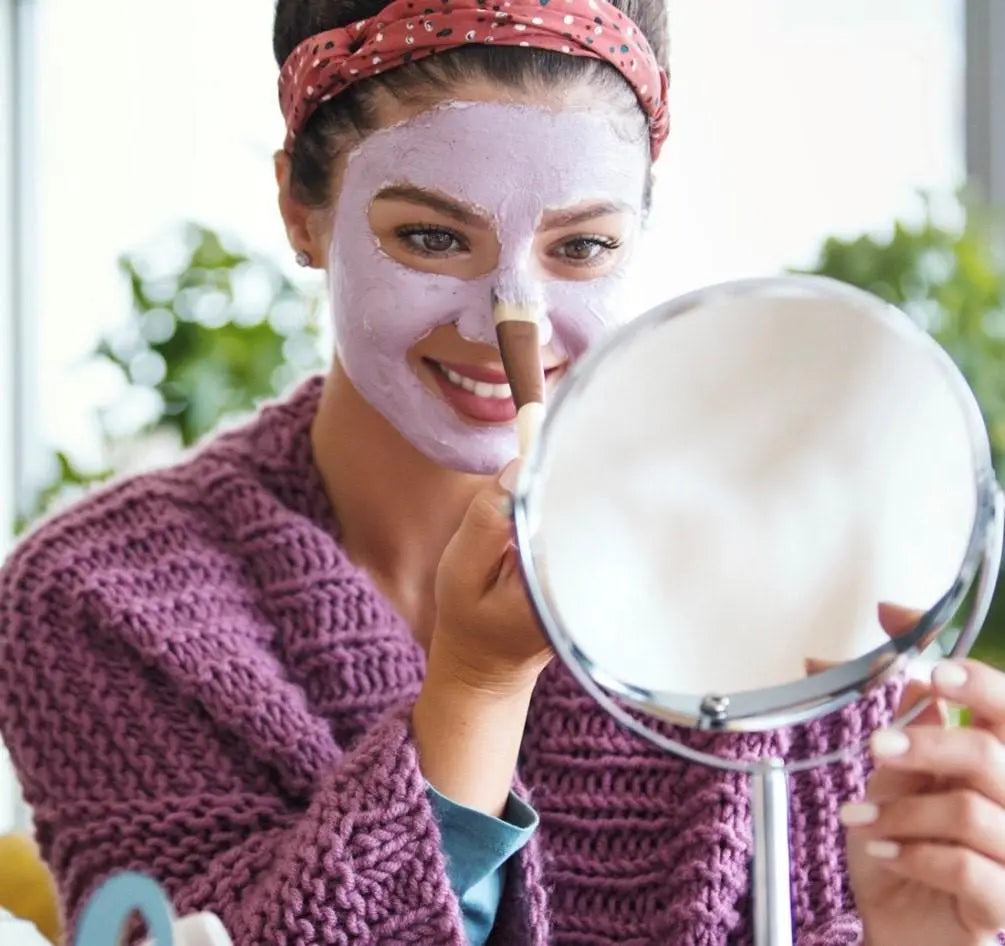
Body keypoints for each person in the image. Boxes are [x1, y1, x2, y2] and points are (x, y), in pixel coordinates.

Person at [1, 0, 1004, 943]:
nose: (508, 322)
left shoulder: (795, 569)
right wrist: (475, 691)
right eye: (431, 236)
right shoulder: (92, 601)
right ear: (300, 208)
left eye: (583, 245)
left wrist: (918, 932)